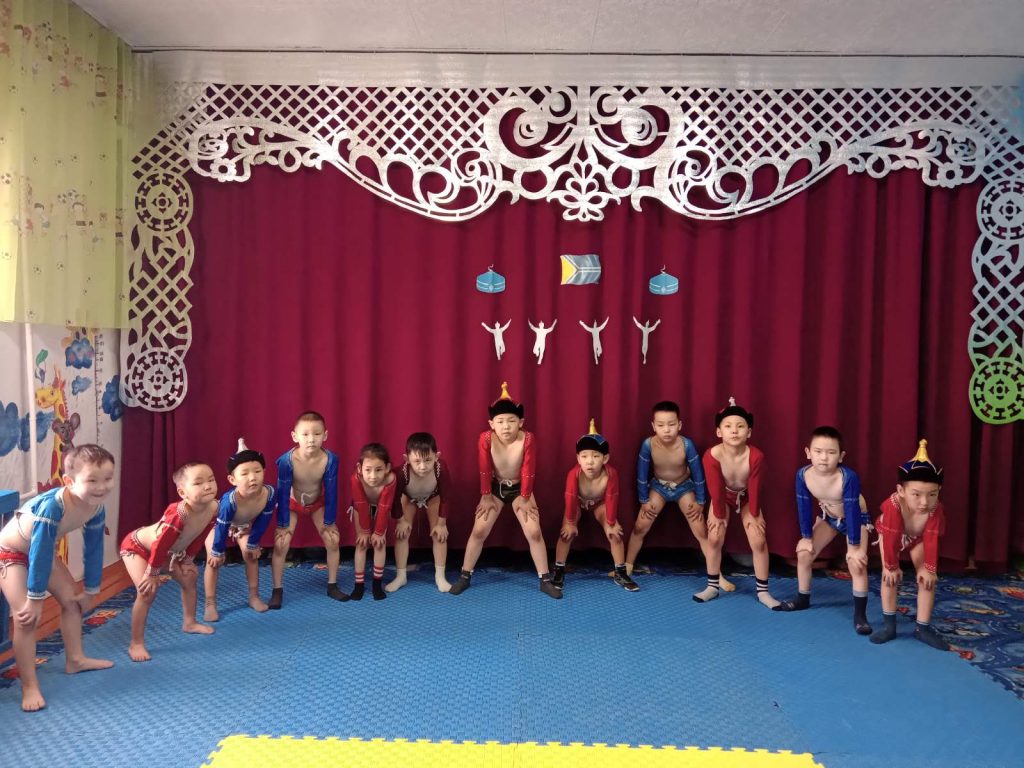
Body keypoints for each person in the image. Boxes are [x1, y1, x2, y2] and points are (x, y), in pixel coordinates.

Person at [0, 444, 116, 711]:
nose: (101, 487)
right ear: (69, 481)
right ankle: (29, 686)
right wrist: (35, 600)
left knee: (73, 602)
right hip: (10, 553)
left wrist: (91, 588)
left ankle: (75, 659)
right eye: (92, 481)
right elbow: (40, 550)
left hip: (41, 553)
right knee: (26, 618)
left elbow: (94, 547)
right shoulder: (53, 506)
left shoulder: (96, 507)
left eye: (108, 478)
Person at [449, 382, 561, 599]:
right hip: (494, 488)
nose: (506, 427)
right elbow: (484, 468)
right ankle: (464, 576)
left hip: (521, 489)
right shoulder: (485, 438)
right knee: (479, 530)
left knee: (534, 532)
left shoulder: (528, 438)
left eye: (511, 421)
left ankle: (545, 580)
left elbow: (529, 468)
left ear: (521, 422)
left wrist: (526, 497)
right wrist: (485, 495)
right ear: (491, 424)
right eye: (500, 422)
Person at [625, 401, 735, 591]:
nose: (666, 430)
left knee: (701, 530)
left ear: (679, 425)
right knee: (640, 526)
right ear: (653, 426)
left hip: (684, 487)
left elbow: (698, 474)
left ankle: (717, 575)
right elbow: (641, 474)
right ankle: (626, 568)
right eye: (661, 425)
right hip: (659, 486)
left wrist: (700, 501)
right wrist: (644, 500)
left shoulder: (686, 445)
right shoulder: (648, 444)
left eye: (671, 424)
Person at [773, 427, 872, 634]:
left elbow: (852, 510)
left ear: (841, 456)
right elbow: (803, 505)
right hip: (829, 518)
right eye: (818, 451)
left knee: (856, 564)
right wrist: (806, 537)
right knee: (804, 553)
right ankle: (803, 598)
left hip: (856, 520)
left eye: (831, 452)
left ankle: (860, 615)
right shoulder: (803, 475)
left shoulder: (848, 477)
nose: (824, 458)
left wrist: (854, 547)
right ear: (808, 452)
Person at [120, 462, 220, 661]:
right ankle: (136, 643)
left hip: (166, 551)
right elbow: (160, 544)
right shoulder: (179, 514)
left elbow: (201, 534)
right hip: (136, 547)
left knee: (189, 578)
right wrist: (152, 573)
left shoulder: (213, 507)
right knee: (147, 592)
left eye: (211, 480)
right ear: (182, 493)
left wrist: (189, 560)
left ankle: (189, 623)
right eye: (198, 483)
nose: (208, 486)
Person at [697, 398, 779, 608]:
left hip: (747, 497)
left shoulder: (756, 456)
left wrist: (755, 513)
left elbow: (755, 488)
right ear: (719, 432)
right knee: (714, 537)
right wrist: (718, 515)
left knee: (758, 540)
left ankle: (763, 592)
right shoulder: (711, 455)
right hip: (723, 496)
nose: (734, 431)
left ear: (749, 432)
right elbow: (715, 489)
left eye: (740, 426)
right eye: (728, 426)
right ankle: (712, 586)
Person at [869, 440, 950, 650]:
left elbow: (931, 537)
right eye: (916, 494)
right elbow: (891, 535)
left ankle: (922, 628)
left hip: (919, 537)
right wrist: (891, 566)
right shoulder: (893, 505)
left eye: (932, 494)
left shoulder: (935, 509)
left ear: (939, 490)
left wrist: (929, 569)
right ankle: (889, 626)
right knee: (889, 577)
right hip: (890, 534)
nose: (924, 502)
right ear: (901, 490)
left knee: (927, 579)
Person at [269, 411, 346, 609]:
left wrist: (329, 522)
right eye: (305, 434)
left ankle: (332, 585)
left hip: (317, 503)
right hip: (292, 504)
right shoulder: (287, 461)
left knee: (333, 540)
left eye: (316, 434)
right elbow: (282, 493)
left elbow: (331, 491)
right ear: (294, 436)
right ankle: (277, 590)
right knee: (281, 544)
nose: (311, 439)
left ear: (325, 435)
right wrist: (283, 524)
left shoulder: (330, 459)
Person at [553, 419, 638, 592]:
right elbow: (570, 498)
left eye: (596, 456)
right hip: (577, 502)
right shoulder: (574, 474)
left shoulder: (611, 474)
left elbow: (612, 498)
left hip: (600, 504)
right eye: (584, 456)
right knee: (566, 533)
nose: (590, 462)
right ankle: (559, 570)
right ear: (578, 458)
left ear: (605, 458)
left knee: (614, 534)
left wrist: (611, 523)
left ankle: (620, 572)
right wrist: (570, 523)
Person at [203, 439, 276, 620]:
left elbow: (263, 520)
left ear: (264, 472)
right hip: (216, 526)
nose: (252, 477)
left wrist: (252, 544)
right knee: (213, 561)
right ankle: (210, 603)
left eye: (257, 471)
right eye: (244, 473)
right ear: (232, 479)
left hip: (242, 527)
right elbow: (221, 526)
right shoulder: (230, 500)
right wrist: (217, 551)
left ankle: (254, 596)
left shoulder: (269, 493)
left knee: (251, 556)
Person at [387, 432, 453, 593]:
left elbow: (446, 497)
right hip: (409, 497)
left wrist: (442, 523)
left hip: (433, 497)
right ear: (406, 459)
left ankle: (440, 576)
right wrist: (401, 521)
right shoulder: (401, 473)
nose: (423, 466)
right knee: (402, 534)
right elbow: (394, 499)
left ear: (437, 456)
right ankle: (401, 576)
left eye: (428, 460)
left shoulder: (441, 469)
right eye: (417, 461)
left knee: (439, 534)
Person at [349, 443, 397, 600]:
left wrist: (379, 532)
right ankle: (359, 584)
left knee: (379, 543)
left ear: (387, 468)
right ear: (359, 468)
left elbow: (385, 506)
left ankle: (377, 584)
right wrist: (364, 531)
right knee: (362, 543)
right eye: (368, 470)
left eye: (378, 470)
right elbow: (361, 503)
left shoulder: (390, 479)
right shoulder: (356, 479)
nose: (373, 476)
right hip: (361, 506)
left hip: (382, 507)